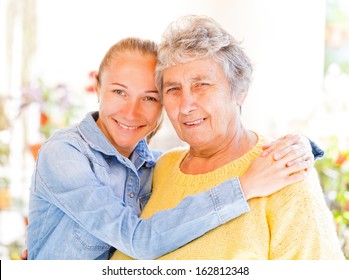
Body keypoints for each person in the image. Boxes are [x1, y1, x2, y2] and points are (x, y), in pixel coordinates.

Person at [27, 37, 317, 260]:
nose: (131, 112)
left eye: (150, 98)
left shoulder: (156, 166)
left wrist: (299, 146)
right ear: (97, 87)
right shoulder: (64, 155)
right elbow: (139, 239)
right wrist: (243, 187)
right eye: (119, 92)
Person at [111, 15, 344, 260]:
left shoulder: (284, 172)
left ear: (239, 91)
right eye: (173, 89)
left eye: (201, 84)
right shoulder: (159, 169)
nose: (186, 105)